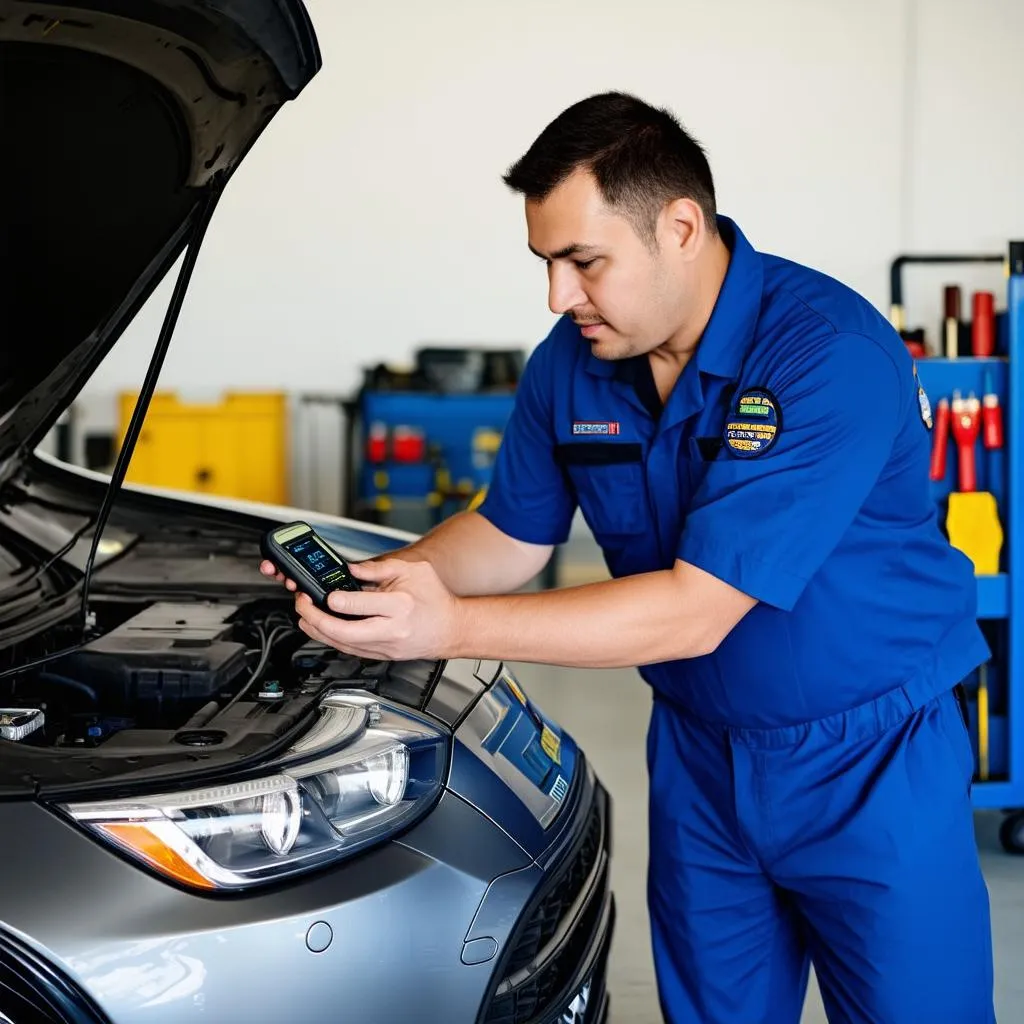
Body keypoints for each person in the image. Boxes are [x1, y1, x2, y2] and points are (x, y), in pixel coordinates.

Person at [262, 92, 995, 1023]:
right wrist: (387, 585)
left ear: (679, 228)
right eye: (545, 264)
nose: (558, 297)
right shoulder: (569, 363)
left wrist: (451, 625)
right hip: (699, 759)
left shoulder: (827, 353)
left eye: (584, 262)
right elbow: (511, 533)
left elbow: (698, 609)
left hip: (871, 761)